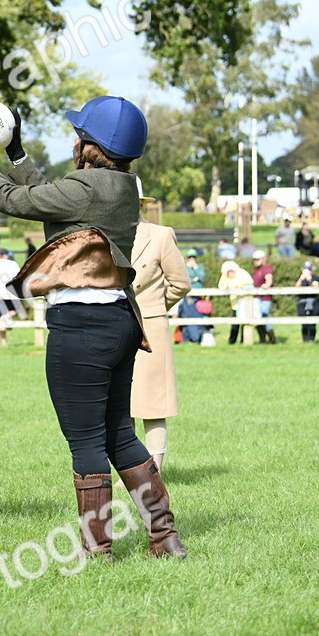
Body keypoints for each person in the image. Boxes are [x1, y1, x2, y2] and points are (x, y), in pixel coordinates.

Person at [0, 94, 186, 560]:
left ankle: (98, 551)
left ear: (90, 144)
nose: (75, 139)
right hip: (118, 321)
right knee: (120, 435)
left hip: (81, 328)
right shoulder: (114, 188)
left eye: (80, 134)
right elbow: (50, 201)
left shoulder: (88, 188)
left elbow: (13, 200)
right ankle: (165, 538)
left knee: (87, 442)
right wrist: (15, 152)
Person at [130, 180, 191, 474]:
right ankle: (126, 473)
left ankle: (154, 472)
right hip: (113, 327)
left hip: (151, 330)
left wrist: (153, 308)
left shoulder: (161, 235)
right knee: (119, 407)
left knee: (152, 404)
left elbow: (181, 283)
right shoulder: (105, 233)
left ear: (141, 204)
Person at [219, 261, 255, 344]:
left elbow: (249, 283)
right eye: (228, 272)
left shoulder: (242, 273)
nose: (230, 273)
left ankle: (244, 340)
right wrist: (224, 276)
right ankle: (232, 341)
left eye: (232, 271)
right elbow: (221, 287)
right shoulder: (226, 277)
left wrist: (238, 286)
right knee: (235, 324)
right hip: (235, 304)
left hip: (245, 303)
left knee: (245, 323)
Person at [250, 250, 276, 344]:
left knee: (264, 316)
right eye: (255, 260)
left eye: (257, 259)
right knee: (257, 317)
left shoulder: (267, 268)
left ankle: (272, 338)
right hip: (256, 297)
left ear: (263, 259)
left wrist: (266, 285)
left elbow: (268, 281)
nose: (255, 261)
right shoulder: (256, 270)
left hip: (265, 297)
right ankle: (262, 338)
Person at [296, 261, 319, 343]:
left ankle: (311, 339)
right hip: (302, 302)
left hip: (313, 302)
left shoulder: (315, 278)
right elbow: (296, 288)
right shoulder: (300, 278)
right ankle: (305, 339)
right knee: (304, 323)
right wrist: (301, 279)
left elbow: (316, 287)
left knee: (312, 323)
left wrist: (310, 280)